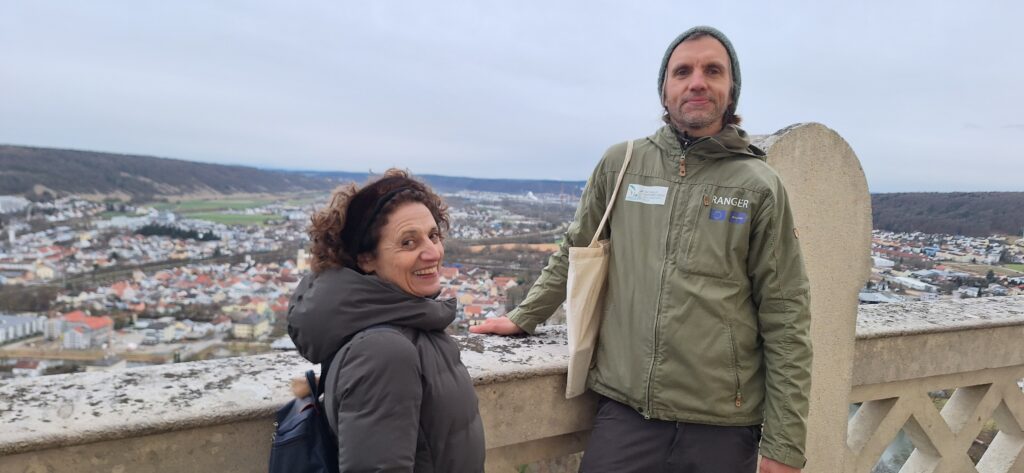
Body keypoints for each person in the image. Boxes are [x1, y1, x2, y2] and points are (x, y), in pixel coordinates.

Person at [471, 26, 811, 473]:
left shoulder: (759, 187)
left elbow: (786, 316)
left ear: (731, 92)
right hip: (626, 413)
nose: (697, 82)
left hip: (722, 426)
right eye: (682, 71)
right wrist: (523, 315)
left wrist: (784, 446)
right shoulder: (623, 164)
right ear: (664, 90)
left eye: (713, 70)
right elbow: (575, 251)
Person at [288, 169, 485, 472]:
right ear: (367, 259)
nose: (432, 252)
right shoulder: (382, 352)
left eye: (433, 236)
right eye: (408, 242)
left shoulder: (405, 324)